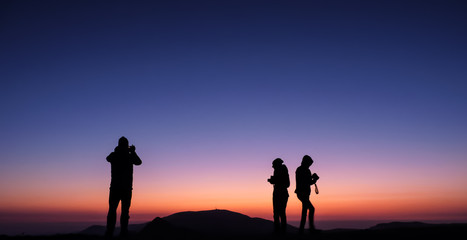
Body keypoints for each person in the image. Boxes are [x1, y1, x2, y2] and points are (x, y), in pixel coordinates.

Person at [105, 136, 142, 239]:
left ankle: (109, 233)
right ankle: (123, 233)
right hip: (126, 189)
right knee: (125, 212)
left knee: (112, 210)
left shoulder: (114, 155)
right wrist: (132, 151)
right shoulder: (129, 156)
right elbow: (139, 162)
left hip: (115, 188)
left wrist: (118, 150)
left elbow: (108, 158)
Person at [295, 155, 319, 234]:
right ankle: (311, 229)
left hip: (303, 193)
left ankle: (302, 230)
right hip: (302, 193)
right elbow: (307, 182)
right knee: (311, 209)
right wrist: (314, 179)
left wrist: (312, 178)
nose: (309, 165)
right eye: (309, 164)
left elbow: (307, 181)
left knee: (305, 211)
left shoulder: (301, 170)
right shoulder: (303, 170)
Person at [267, 158, 290, 233]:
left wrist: (274, 181)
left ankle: (280, 231)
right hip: (279, 193)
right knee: (279, 212)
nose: (273, 167)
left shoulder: (281, 170)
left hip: (280, 193)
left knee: (279, 212)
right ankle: (280, 230)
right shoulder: (280, 170)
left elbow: (286, 183)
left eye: (273, 165)